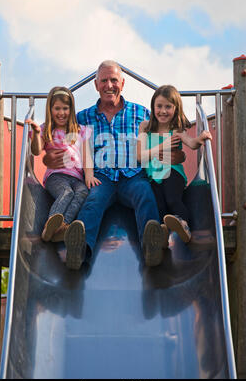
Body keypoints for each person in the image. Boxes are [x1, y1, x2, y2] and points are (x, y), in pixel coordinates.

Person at [43, 61, 186, 270]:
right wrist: (46, 151)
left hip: (133, 175)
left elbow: (166, 132)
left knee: (145, 194)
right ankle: (79, 250)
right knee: (92, 202)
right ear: (96, 85)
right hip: (102, 177)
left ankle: (152, 247)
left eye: (114, 80)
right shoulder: (83, 117)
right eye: (104, 81)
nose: (109, 85)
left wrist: (178, 153)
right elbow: (58, 133)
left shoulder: (141, 113)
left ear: (123, 83)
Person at [137, 84, 212, 244]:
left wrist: (200, 138)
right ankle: (164, 234)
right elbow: (140, 156)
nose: (163, 111)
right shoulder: (145, 127)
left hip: (172, 172)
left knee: (172, 200)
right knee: (159, 206)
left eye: (168, 107)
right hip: (153, 176)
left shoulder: (176, 130)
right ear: (153, 106)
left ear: (176, 108)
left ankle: (184, 224)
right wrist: (163, 146)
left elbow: (191, 143)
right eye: (159, 106)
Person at [26, 86, 100, 244]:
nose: (61, 113)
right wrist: (36, 134)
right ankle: (50, 224)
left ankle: (61, 227)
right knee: (66, 193)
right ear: (50, 109)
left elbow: (86, 156)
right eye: (57, 108)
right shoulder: (47, 129)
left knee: (82, 194)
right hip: (56, 176)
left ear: (71, 109)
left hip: (77, 178)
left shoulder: (80, 130)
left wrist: (89, 175)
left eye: (65, 108)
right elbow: (37, 150)